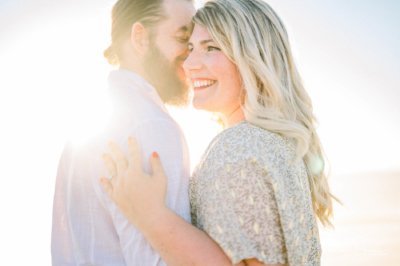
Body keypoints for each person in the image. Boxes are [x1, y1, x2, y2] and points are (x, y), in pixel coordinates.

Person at [101, 0, 335, 265]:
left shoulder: (237, 149)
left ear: (252, 57)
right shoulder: (275, 143)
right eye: (189, 48)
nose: (189, 64)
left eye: (210, 48)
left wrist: (151, 216)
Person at [51, 0, 195, 265]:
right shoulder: (151, 125)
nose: (192, 53)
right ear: (140, 37)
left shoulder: (83, 133)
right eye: (183, 37)